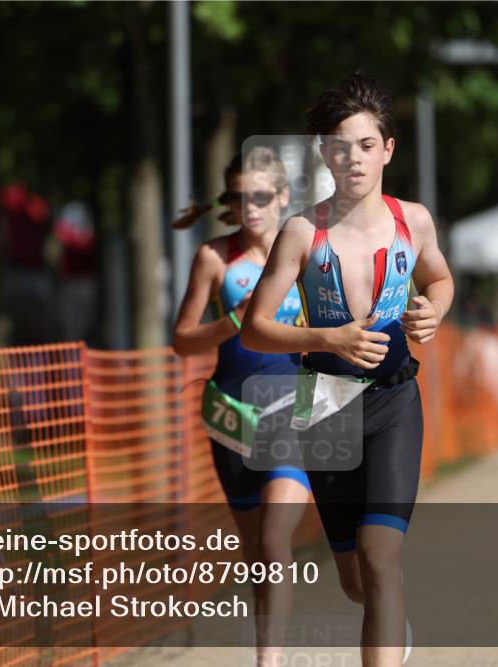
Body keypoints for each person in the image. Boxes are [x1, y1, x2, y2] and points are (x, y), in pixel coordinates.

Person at [241, 70, 454, 666]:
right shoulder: (302, 233)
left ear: (388, 149)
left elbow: (439, 278)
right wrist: (325, 337)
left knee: (381, 554)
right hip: (326, 406)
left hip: (392, 399)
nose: (354, 159)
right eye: (341, 146)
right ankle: (390, 614)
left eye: (366, 145)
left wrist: (433, 312)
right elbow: (255, 326)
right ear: (324, 153)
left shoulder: (414, 221)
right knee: (355, 578)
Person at [172, 149, 311, 667]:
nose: (250, 208)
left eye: (260, 197)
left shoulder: (307, 255)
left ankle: (268, 663)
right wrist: (231, 323)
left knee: (276, 537)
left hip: (294, 411)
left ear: (281, 198)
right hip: (232, 418)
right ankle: (268, 649)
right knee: (258, 557)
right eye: (238, 197)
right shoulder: (215, 258)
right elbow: (182, 341)